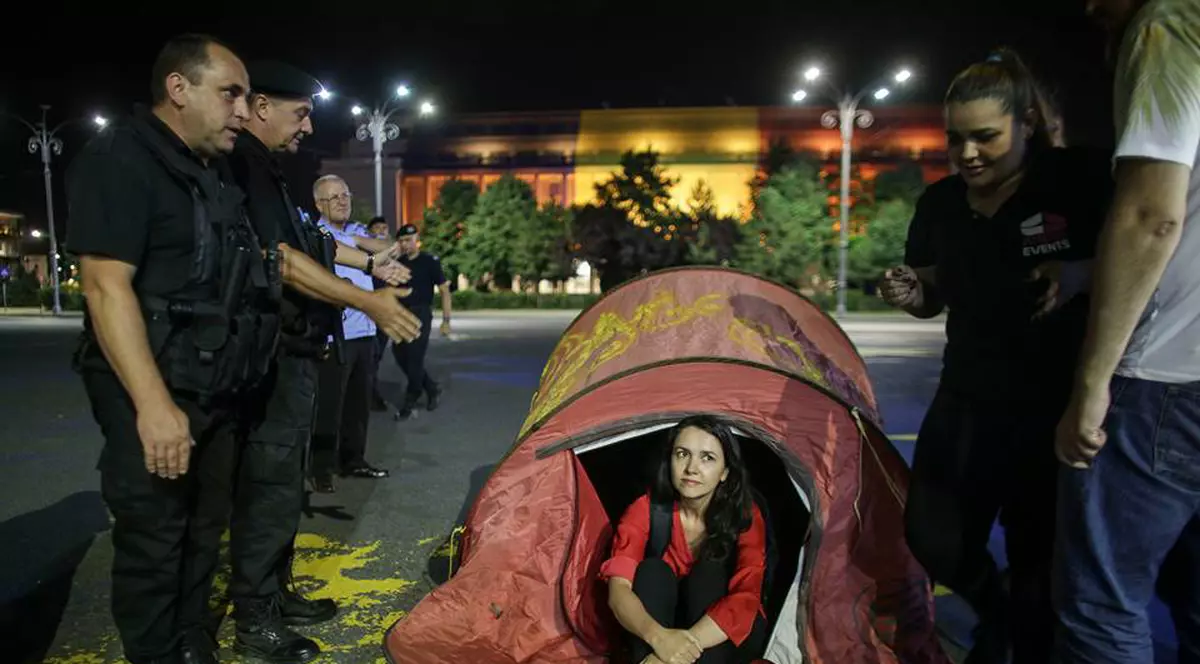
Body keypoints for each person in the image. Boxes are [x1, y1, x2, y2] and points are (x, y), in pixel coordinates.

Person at [878, 49, 1114, 663]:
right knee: (932, 535)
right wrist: (913, 290)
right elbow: (933, 292)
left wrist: (1084, 269)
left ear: (1027, 124)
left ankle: (1013, 635)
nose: (967, 154)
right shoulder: (941, 204)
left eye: (985, 137)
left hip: (1054, 405)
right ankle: (996, 609)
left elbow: (1146, 244)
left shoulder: (1077, 179)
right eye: (955, 139)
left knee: (1039, 556)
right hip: (967, 398)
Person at [65, 34, 271, 664]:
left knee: (204, 531)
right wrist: (153, 405)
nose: (243, 110)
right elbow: (105, 287)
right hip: (153, 385)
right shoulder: (120, 160)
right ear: (178, 89)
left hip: (214, 382)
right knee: (155, 540)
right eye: (229, 93)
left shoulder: (210, 167)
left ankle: (191, 644)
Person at [224, 61, 419, 660]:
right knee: (268, 487)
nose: (308, 125)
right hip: (273, 350)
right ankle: (255, 617)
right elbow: (280, 255)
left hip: (298, 348)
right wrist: (368, 299)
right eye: (300, 112)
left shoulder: (269, 168)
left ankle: (275, 594)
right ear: (261, 107)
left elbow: (314, 240)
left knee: (284, 485)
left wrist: (369, 265)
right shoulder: (242, 166)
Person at [1054, 0, 1200, 661]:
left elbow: (1151, 216)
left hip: (1167, 379)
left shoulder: (1169, 24)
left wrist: (1092, 381)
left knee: (1101, 608)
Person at [601, 416, 768, 664]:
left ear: (724, 472)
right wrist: (660, 640)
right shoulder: (645, 509)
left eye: (707, 458)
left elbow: (746, 596)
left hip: (722, 630)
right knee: (651, 572)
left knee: (709, 573)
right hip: (662, 627)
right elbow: (618, 591)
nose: (692, 468)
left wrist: (671, 653)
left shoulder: (745, 516)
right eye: (682, 454)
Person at [309, 176, 390, 491]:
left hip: (365, 333)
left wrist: (368, 243)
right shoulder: (316, 235)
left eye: (346, 195)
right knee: (330, 405)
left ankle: (353, 460)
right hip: (334, 335)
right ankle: (320, 468)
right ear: (319, 204)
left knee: (358, 403)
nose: (343, 201)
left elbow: (388, 249)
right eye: (334, 197)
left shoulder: (357, 232)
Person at [391, 223, 452, 419]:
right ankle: (431, 388)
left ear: (417, 240)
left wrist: (446, 320)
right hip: (401, 314)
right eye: (401, 241)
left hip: (421, 314)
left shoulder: (429, 261)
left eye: (408, 240)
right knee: (400, 354)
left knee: (415, 358)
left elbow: (444, 291)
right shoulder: (398, 262)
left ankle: (410, 399)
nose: (405, 244)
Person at [366, 216, 394, 412]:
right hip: (367, 310)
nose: (381, 230)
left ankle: (371, 391)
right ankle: (370, 394)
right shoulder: (364, 254)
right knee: (370, 354)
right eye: (377, 227)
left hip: (385, 311)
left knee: (377, 355)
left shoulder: (392, 253)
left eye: (384, 227)